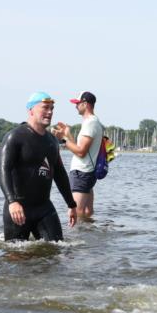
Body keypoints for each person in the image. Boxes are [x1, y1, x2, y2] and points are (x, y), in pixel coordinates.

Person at [0, 92, 77, 242]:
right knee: (16, 257)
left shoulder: (52, 141)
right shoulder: (14, 137)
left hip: (44, 208)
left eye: (52, 108)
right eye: (45, 107)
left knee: (58, 250)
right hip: (18, 208)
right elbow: (4, 170)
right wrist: (12, 201)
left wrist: (71, 204)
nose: (50, 112)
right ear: (31, 110)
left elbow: (59, 174)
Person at [53, 91, 104, 219]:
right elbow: (79, 147)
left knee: (75, 212)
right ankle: (88, 237)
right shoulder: (92, 122)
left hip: (81, 172)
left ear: (85, 104)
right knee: (86, 212)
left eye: (78, 103)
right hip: (87, 172)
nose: (76, 106)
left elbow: (81, 152)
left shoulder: (90, 123)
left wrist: (62, 140)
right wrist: (67, 134)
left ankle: (75, 238)